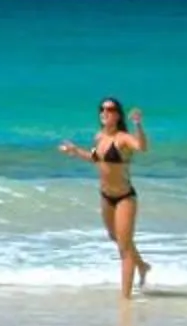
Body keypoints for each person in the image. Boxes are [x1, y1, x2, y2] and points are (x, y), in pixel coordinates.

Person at [58, 97, 152, 299]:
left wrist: (138, 124)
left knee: (124, 248)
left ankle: (125, 298)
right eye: (102, 109)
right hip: (106, 196)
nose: (104, 112)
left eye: (109, 109)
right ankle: (142, 265)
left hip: (124, 197)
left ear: (117, 115)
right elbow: (96, 158)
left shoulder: (123, 138)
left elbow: (142, 147)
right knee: (116, 237)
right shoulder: (99, 136)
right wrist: (75, 151)